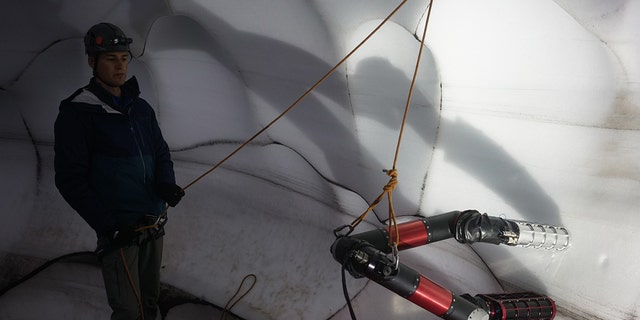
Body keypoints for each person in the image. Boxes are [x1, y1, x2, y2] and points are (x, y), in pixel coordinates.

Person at [54, 22, 185, 320]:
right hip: (119, 231)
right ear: (92, 61)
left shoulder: (140, 109)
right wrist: (108, 225)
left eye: (124, 58)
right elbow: (69, 179)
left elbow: (161, 152)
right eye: (111, 58)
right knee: (128, 311)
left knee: (149, 305)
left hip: (152, 224)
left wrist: (166, 184)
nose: (120, 66)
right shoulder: (78, 114)